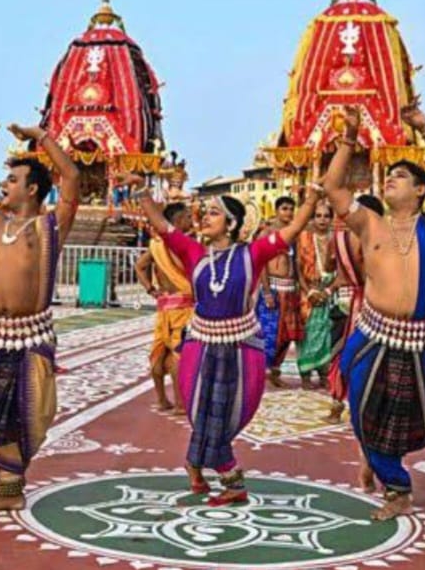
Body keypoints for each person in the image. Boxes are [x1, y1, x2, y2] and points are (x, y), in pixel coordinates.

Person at [125, 173, 318, 506]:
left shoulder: (252, 254)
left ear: (230, 224)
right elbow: (162, 225)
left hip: (239, 348)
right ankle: (196, 465)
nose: (205, 218)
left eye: (213, 213)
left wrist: (313, 199)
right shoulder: (193, 252)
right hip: (200, 344)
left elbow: (292, 230)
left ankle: (231, 480)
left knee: (224, 413)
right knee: (199, 409)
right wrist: (142, 191)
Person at [324, 101, 425, 520]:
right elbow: (333, 189)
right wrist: (349, 139)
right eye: (389, 176)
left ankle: (381, 455)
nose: (390, 181)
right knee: (364, 413)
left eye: (401, 177)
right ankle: (395, 485)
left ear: (421, 190)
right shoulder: (370, 223)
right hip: (374, 334)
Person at [0, 121, 79, 514]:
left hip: (29, 337)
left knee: (25, 414)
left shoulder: (50, 226)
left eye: (12, 180)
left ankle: (11, 487)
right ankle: (6, 484)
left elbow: (73, 176)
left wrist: (40, 137)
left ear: (32, 190)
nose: (4, 185)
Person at [324, 194, 384, 424]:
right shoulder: (377, 240)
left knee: (342, 352)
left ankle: (337, 402)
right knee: (373, 354)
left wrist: (328, 290)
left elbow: (336, 273)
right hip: (374, 304)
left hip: (349, 301)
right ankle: (366, 406)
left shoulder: (338, 239)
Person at [135, 202, 194, 413]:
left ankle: (162, 400)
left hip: (164, 305)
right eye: (188, 217)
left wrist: (151, 289)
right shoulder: (184, 244)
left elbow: (139, 266)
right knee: (179, 354)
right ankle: (180, 403)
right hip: (184, 305)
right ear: (178, 221)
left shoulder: (156, 245)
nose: (192, 220)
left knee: (159, 352)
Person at [255, 196, 304, 388]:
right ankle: (263, 374)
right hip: (273, 289)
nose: (288, 213)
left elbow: (296, 263)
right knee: (269, 334)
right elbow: (261, 265)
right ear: (276, 210)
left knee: (286, 335)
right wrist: (266, 292)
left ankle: (275, 371)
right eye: (284, 208)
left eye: (291, 209)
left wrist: (301, 288)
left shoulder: (292, 234)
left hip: (290, 290)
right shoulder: (266, 233)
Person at [296, 200, 337, 389]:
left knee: (326, 334)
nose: (322, 220)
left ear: (331, 218)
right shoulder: (304, 237)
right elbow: (297, 268)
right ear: (313, 218)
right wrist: (309, 291)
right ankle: (305, 375)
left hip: (329, 292)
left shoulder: (336, 239)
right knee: (307, 335)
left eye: (326, 216)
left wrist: (328, 291)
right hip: (308, 293)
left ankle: (323, 374)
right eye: (318, 216)